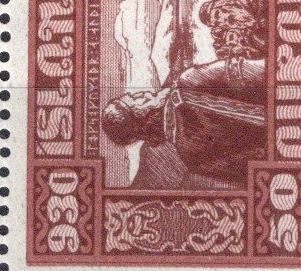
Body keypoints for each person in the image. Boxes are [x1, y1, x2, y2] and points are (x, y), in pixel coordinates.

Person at [100, 56, 270, 187]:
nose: (142, 93)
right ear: (140, 114)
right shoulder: (187, 84)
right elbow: (265, 71)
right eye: (134, 99)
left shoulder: (190, 159)